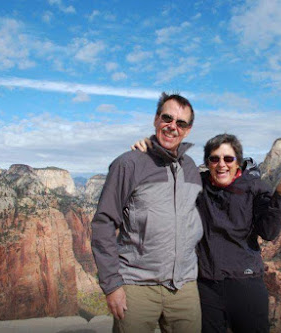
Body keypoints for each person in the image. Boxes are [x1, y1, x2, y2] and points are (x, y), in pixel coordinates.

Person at [133, 133, 281, 332]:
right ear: (207, 163)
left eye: (228, 158)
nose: (222, 164)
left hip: (245, 284)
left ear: (237, 162)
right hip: (206, 287)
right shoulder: (198, 185)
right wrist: (148, 156)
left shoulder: (254, 188)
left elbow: (269, 232)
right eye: (215, 159)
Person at [91, 92, 203, 333]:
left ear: (188, 130)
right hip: (136, 288)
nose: (172, 127)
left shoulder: (192, 169)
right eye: (167, 118)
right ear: (155, 119)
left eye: (181, 123)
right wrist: (111, 286)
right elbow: (103, 224)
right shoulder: (129, 164)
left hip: (184, 288)